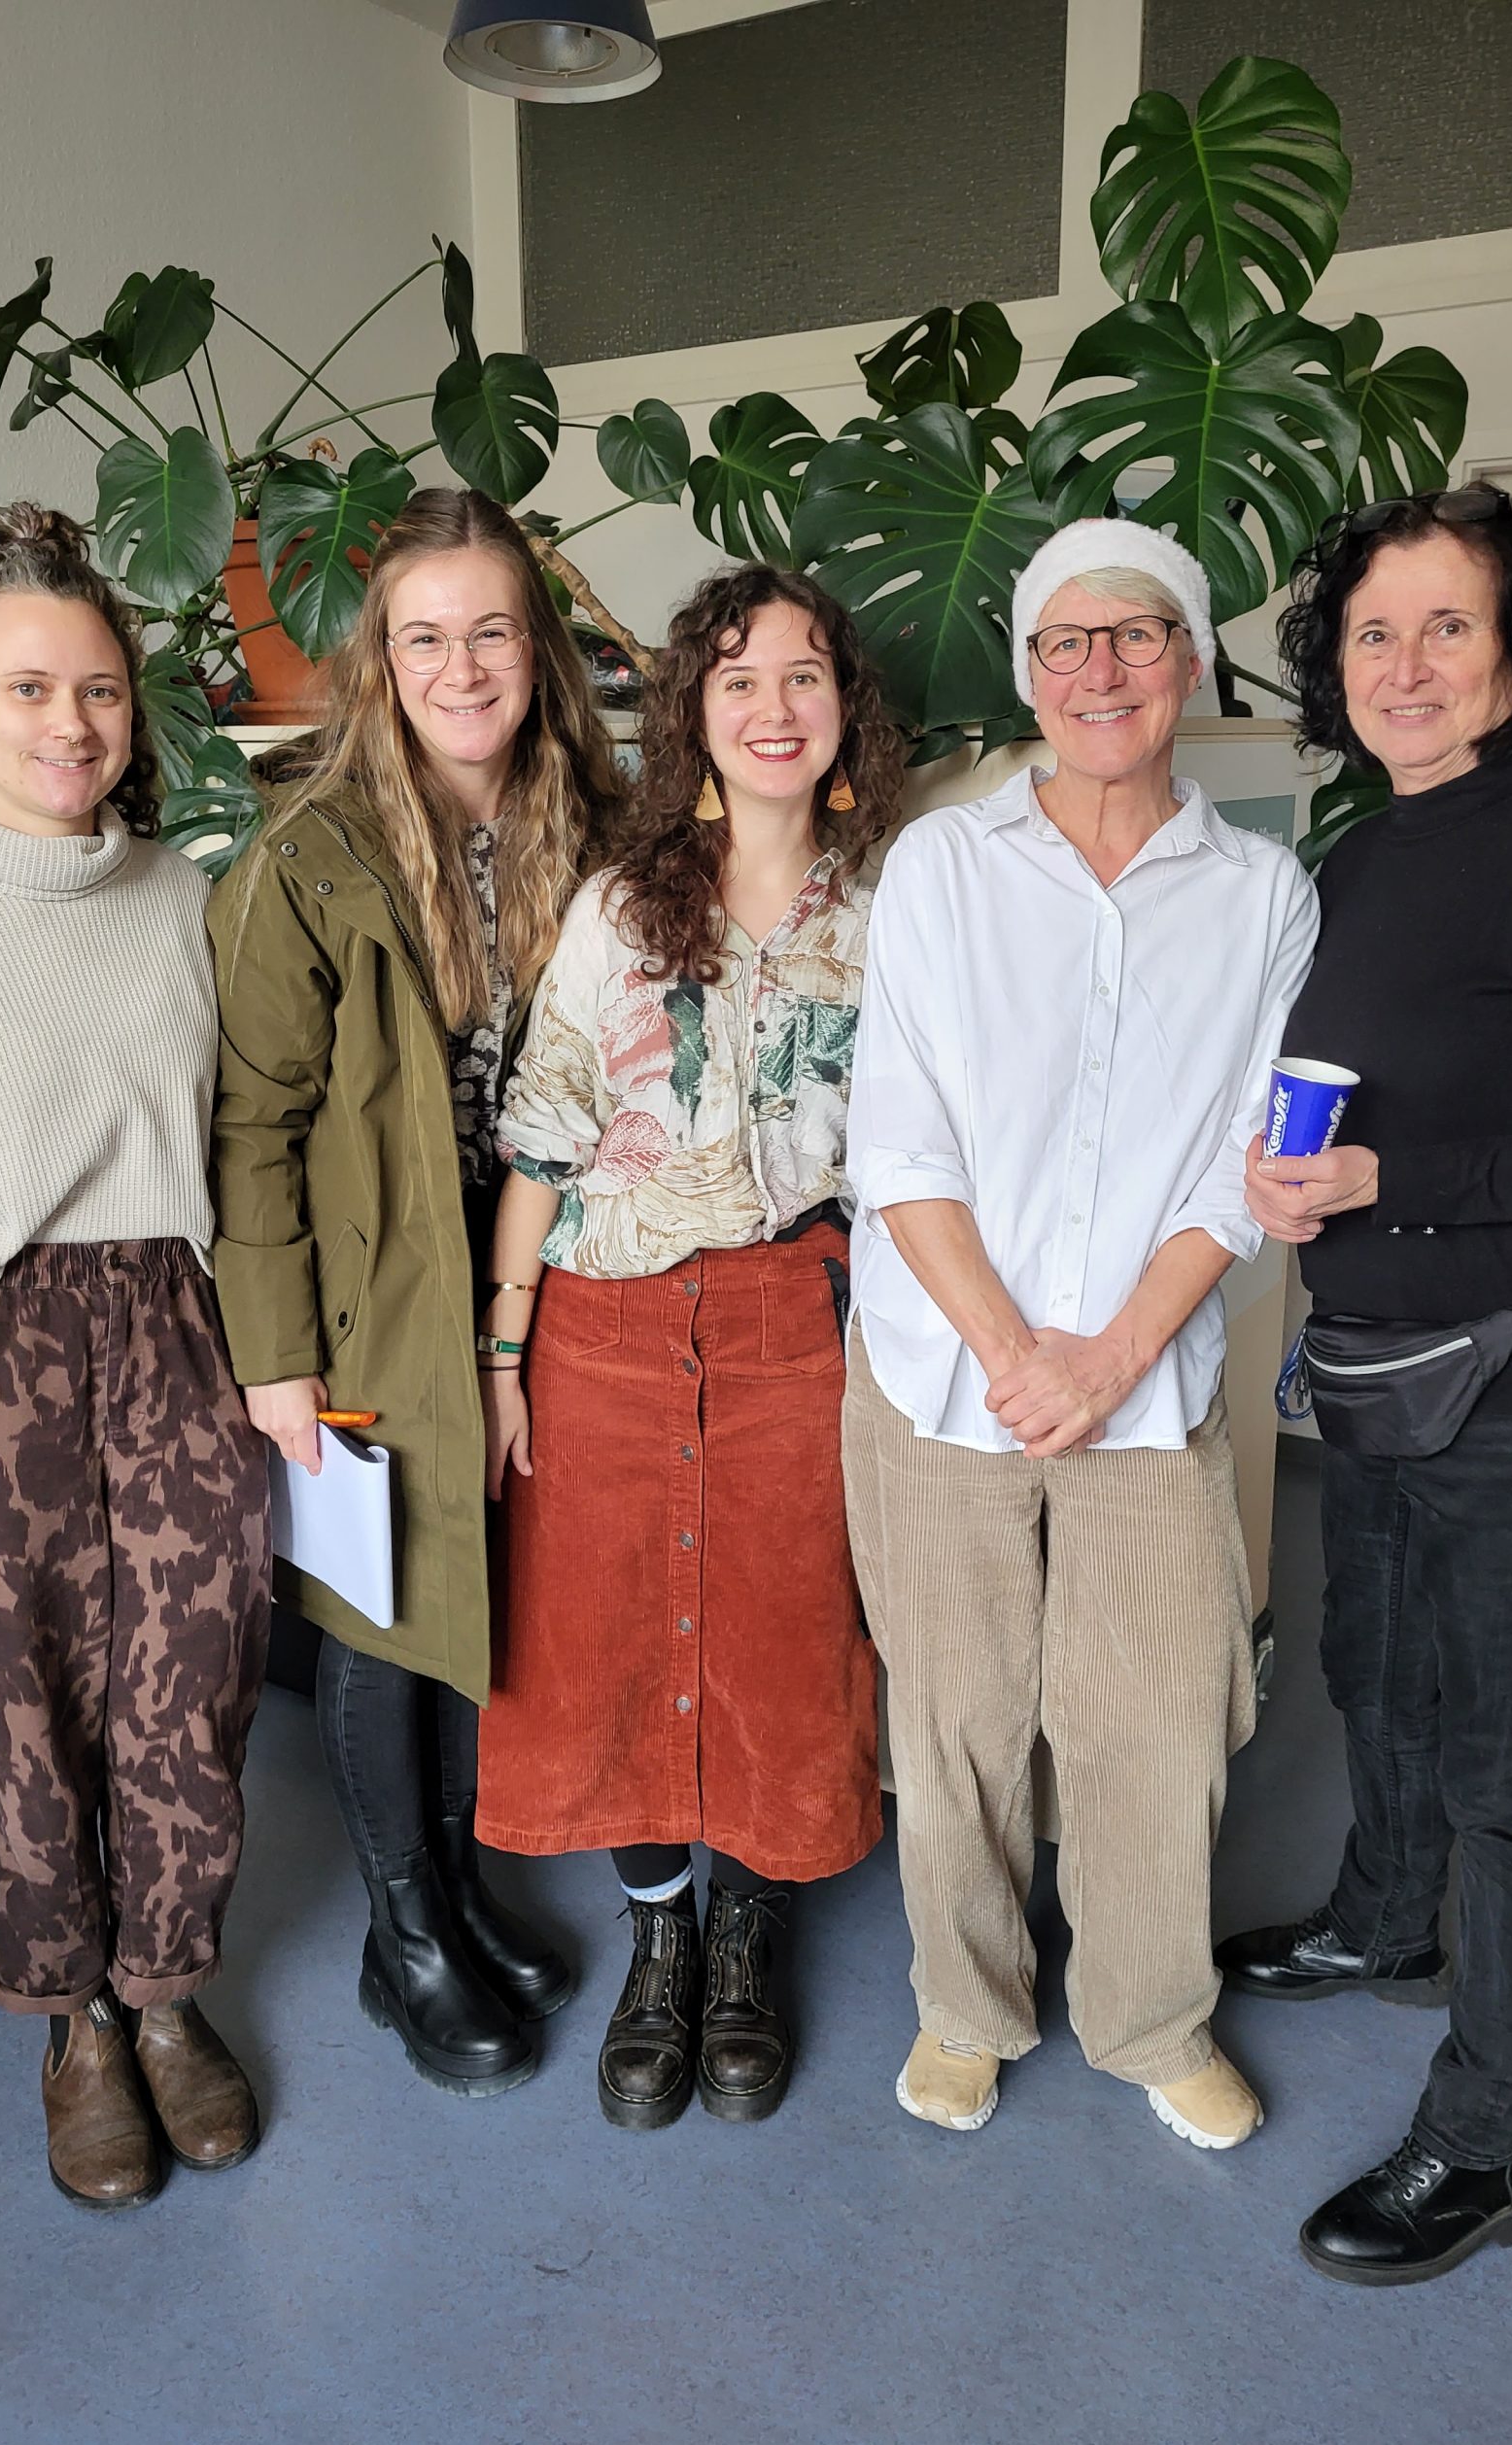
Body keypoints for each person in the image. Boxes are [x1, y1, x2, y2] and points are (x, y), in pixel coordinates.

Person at [1220, 485, 1512, 2283]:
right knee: (1377, 1675)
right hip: (1380, 1374)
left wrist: (1391, 1184)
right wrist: (1301, 1191)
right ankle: (1383, 1920)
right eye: (1372, 632)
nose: (1403, 666)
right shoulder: (1363, 853)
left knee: (1510, 1767)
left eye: (1447, 627)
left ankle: (1487, 2142)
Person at [842, 517, 1319, 2149]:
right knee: (956, 1711)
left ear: (1191, 663)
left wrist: (1108, 1360)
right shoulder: (944, 868)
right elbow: (901, 1141)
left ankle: (1151, 2016)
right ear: (1030, 672)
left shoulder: (1263, 895)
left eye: (1136, 636)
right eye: (1065, 641)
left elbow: (1247, 1163)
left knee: (1159, 1715)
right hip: (939, 1370)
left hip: (1150, 1375)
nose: (1100, 670)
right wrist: (1011, 1351)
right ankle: (967, 2006)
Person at [0, 504, 270, 2211]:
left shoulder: (179, 899)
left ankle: (166, 1993)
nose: (72, 726)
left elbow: (242, 1148)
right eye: (27, 689)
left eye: (98, 690)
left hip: (175, 1330)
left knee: (190, 1693)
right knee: (17, 1717)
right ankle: (73, 2021)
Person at [475, 565, 900, 2129]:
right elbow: (543, 1137)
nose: (773, 707)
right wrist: (503, 1356)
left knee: (787, 1634)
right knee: (605, 1639)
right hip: (603, 1323)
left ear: (843, 707)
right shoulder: (618, 905)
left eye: (802, 675)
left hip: (800, 1317)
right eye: (738, 679)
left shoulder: (895, 909)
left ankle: (751, 1933)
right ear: (694, 716)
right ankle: (661, 1935)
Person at [210, 487, 622, 2097]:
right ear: (382, 659)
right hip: (374, 1287)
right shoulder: (306, 858)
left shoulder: (589, 823)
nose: (462, 669)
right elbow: (252, 1129)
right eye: (425, 638)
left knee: (475, 1587)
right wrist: (275, 1357)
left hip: (529, 1273)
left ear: (538, 651)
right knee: (385, 1612)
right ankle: (406, 1938)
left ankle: (455, 1886)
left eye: (491, 633)